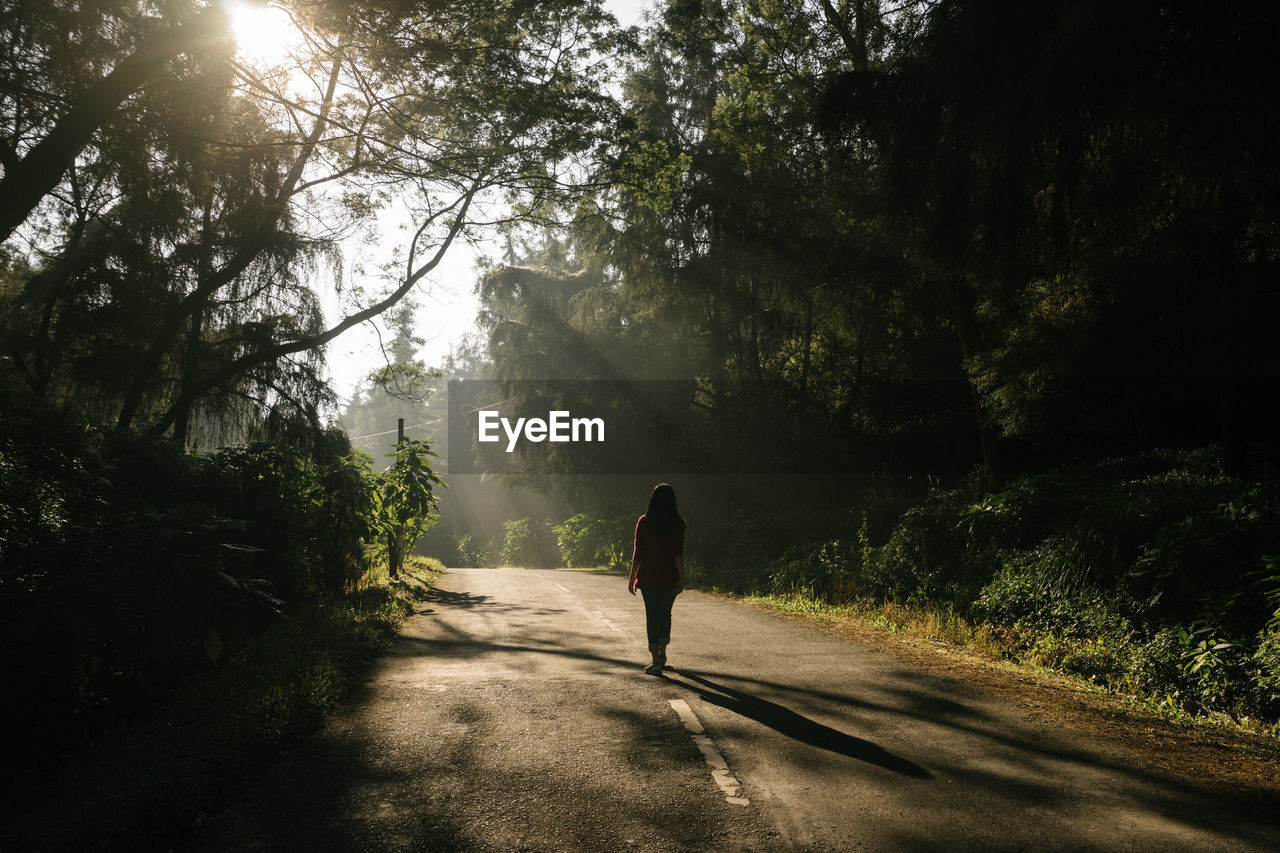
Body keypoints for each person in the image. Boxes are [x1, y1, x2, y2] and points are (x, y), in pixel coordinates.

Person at [627, 482, 686, 674]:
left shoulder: (644, 522)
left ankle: (655, 661)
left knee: (652, 616)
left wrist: (632, 578)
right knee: (665, 614)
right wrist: (681, 577)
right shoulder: (678, 523)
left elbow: (638, 553)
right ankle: (662, 654)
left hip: (649, 577)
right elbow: (678, 553)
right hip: (670, 576)